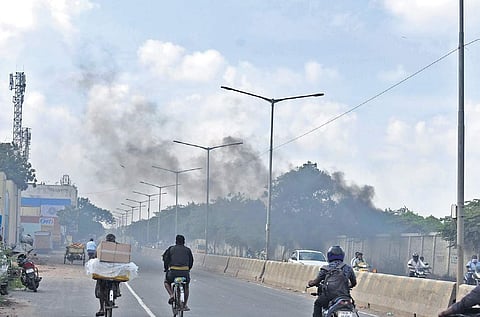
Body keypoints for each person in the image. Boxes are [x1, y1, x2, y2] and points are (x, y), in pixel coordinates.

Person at [307, 245, 357, 317]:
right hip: (344, 297)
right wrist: (348, 286)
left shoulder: (325, 268)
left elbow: (316, 282)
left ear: (329, 256)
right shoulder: (348, 268)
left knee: (318, 303)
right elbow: (354, 283)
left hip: (329, 296)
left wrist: (310, 283)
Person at [163, 234, 194, 311]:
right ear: (184, 242)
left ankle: (171, 294)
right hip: (185, 273)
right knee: (186, 286)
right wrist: (187, 269)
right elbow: (191, 262)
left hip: (173, 273)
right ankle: (184, 305)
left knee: (166, 282)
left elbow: (166, 260)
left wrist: (166, 269)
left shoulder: (171, 249)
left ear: (175, 241)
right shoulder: (188, 250)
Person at [95, 233, 121, 317]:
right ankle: (116, 292)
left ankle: (101, 308)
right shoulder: (119, 247)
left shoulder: (102, 246)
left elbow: (96, 256)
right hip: (114, 272)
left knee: (100, 289)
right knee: (117, 281)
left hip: (104, 273)